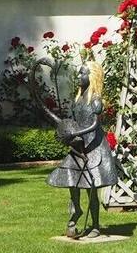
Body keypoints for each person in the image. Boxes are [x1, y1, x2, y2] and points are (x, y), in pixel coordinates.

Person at [37, 58, 118, 239]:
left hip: (94, 146)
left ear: (92, 76)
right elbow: (73, 121)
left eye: (82, 73)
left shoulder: (95, 100)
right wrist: (67, 132)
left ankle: (95, 225)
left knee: (91, 187)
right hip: (79, 145)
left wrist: (75, 133)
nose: (78, 76)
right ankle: (76, 210)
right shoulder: (78, 99)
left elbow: (95, 125)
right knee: (71, 179)